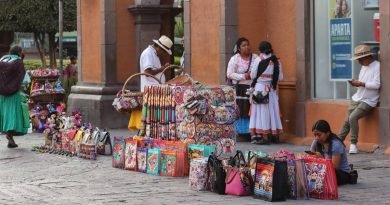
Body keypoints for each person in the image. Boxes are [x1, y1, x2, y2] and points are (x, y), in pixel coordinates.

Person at [338, 45, 380, 154]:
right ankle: (337, 143)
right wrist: (357, 83)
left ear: (367, 57)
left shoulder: (377, 66)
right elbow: (364, 83)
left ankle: (353, 144)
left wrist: (361, 83)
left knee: (352, 117)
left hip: (369, 100)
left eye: (360, 60)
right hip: (357, 97)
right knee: (346, 121)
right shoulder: (364, 67)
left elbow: (377, 85)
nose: (359, 62)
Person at [249, 41, 283, 144]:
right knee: (273, 111)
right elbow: (280, 77)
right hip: (271, 89)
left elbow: (253, 75)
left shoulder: (258, 60)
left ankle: (264, 137)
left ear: (260, 50)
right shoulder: (276, 61)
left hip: (260, 89)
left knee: (260, 113)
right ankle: (275, 135)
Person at [226, 37, 259, 141]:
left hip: (253, 88)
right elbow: (229, 74)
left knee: (252, 111)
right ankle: (242, 132)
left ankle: (254, 132)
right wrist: (243, 76)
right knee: (242, 110)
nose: (247, 47)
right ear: (239, 48)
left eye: (248, 44)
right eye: (244, 45)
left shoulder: (256, 58)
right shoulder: (235, 59)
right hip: (240, 88)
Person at [0, 45, 30, 148]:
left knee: (6, 114)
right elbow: (26, 80)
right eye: (22, 51)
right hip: (15, 93)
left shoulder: (3, 59)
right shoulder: (18, 62)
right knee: (14, 115)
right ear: (19, 52)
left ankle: (10, 138)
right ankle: (10, 135)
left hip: (2, 94)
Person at [310, 120, 351, 185]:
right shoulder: (316, 142)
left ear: (327, 133)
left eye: (319, 135)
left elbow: (334, 167)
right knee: (309, 171)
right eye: (315, 135)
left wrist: (321, 159)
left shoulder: (336, 144)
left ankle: (316, 182)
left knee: (318, 176)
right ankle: (313, 183)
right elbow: (311, 158)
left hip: (340, 174)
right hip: (324, 170)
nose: (317, 137)